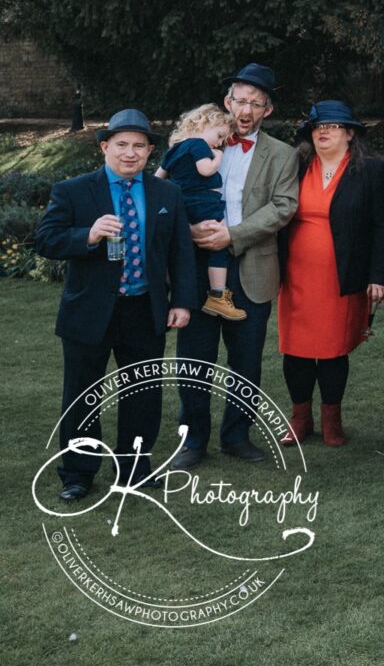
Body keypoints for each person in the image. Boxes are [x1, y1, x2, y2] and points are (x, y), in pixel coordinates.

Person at [36, 109, 196, 501]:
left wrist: (183, 302)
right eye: (121, 144)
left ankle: (135, 470)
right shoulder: (73, 190)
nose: (130, 153)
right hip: (89, 311)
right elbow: (47, 240)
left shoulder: (166, 194)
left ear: (149, 152)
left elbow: (181, 253)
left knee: (143, 394)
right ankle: (78, 474)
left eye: (138, 146)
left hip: (145, 309)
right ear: (105, 147)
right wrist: (86, 235)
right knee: (82, 395)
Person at [171, 63, 299, 470]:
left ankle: (237, 435)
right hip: (196, 268)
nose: (245, 109)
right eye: (239, 100)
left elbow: (284, 206)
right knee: (195, 357)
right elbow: (170, 191)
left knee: (245, 360)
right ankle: (192, 440)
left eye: (255, 103)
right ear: (227, 103)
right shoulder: (194, 143)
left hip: (252, 269)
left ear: (267, 110)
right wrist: (189, 230)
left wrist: (234, 235)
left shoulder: (282, 154)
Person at [275, 101, 384, 446]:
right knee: (294, 349)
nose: (323, 131)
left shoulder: (370, 170)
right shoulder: (295, 166)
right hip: (295, 277)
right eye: (317, 127)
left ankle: (331, 420)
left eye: (332, 126)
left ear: (350, 133)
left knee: (332, 349)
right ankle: (299, 419)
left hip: (340, 278)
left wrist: (379, 276)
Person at [156, 103, 245, 320]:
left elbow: (157, 179)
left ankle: (170, 277)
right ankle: (217, 295)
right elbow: (205, 170)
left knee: (184, 247)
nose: (220, 143)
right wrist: (218, 157)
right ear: (204, 124)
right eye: (220, 135)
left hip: (183, 203)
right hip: (203, 203)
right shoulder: (198, 145)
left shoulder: (174, 149)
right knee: (218, 245)